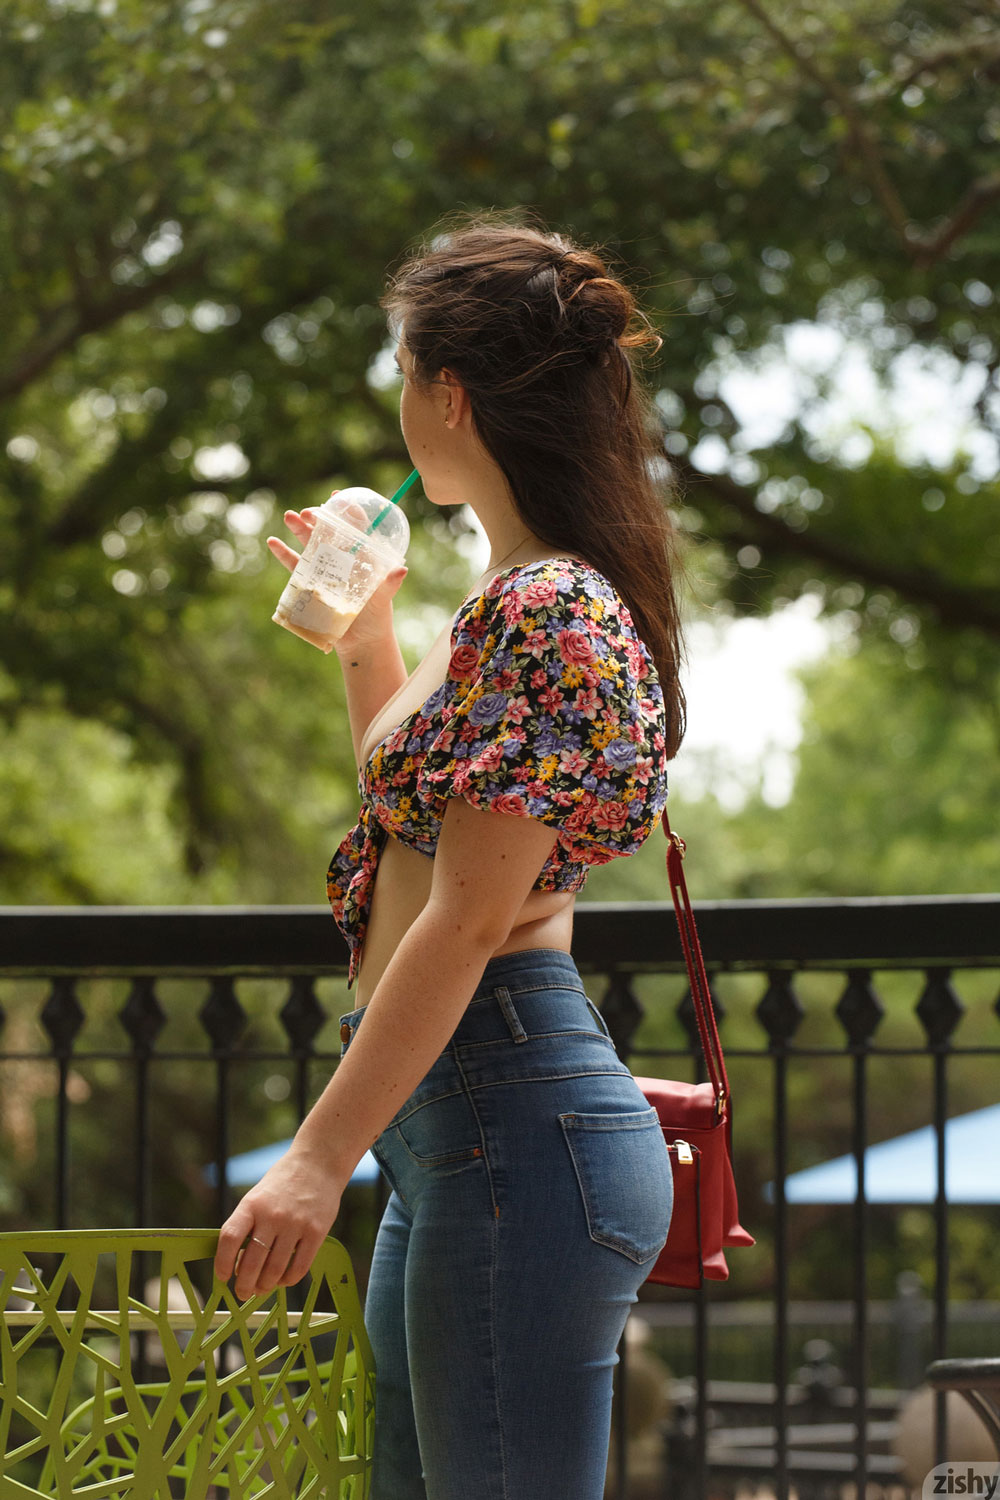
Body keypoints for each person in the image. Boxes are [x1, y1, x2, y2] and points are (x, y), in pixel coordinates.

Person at [215, 213, 687, 1500]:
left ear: (450, 394)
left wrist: (315, 1157)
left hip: (511, 1115)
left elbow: (466, 922)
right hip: (458, 1134)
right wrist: (368, 634)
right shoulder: (504, 596)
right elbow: (407, 814)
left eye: (401, 373)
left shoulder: (550, 607)